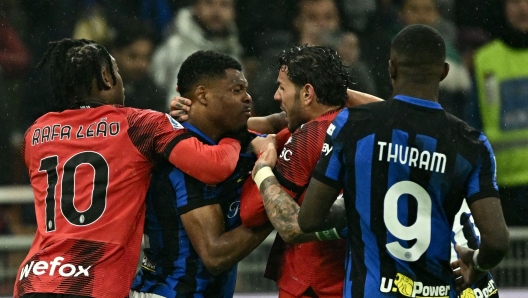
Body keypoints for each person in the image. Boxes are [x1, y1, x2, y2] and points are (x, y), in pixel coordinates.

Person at [253, 24, 510, 297]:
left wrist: (263, 172)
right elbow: (496, 242)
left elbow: (308, 220)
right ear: (445, 72)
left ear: (391, 69)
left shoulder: (352, 127)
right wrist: (478, 263)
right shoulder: (471, 143)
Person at [14, 39, 244, 298]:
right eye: (117, 71)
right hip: (94, 284)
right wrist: (234, 135)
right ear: (106, 76)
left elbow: (92, 147)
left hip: (33, 281)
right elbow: (215, 166)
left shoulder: (34, 134)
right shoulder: (141, 124)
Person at [130, 50, 273, 297]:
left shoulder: (234, 142)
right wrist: (279, 208)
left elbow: (282, 123)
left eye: (246, 90)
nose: (248, 98)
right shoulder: (187, 159)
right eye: (236, 90)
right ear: (203, 95)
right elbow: (215, 255)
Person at [473, 0, 528, 226]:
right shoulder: (484, 60)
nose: (523, 8)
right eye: (515, 2)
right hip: (502, 190)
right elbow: (473, 122)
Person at [150, 0, 243, 106]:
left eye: (224, 5)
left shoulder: (233, 49)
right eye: (209, 3)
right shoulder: (176, 46)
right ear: (195, 7)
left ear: (234, 12)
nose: (216, 11)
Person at [107, 19, 167, 112]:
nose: (141, 65)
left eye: (146, 58)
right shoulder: (94, 89)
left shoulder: (151, 94)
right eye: (133, 57)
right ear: (115, 53)